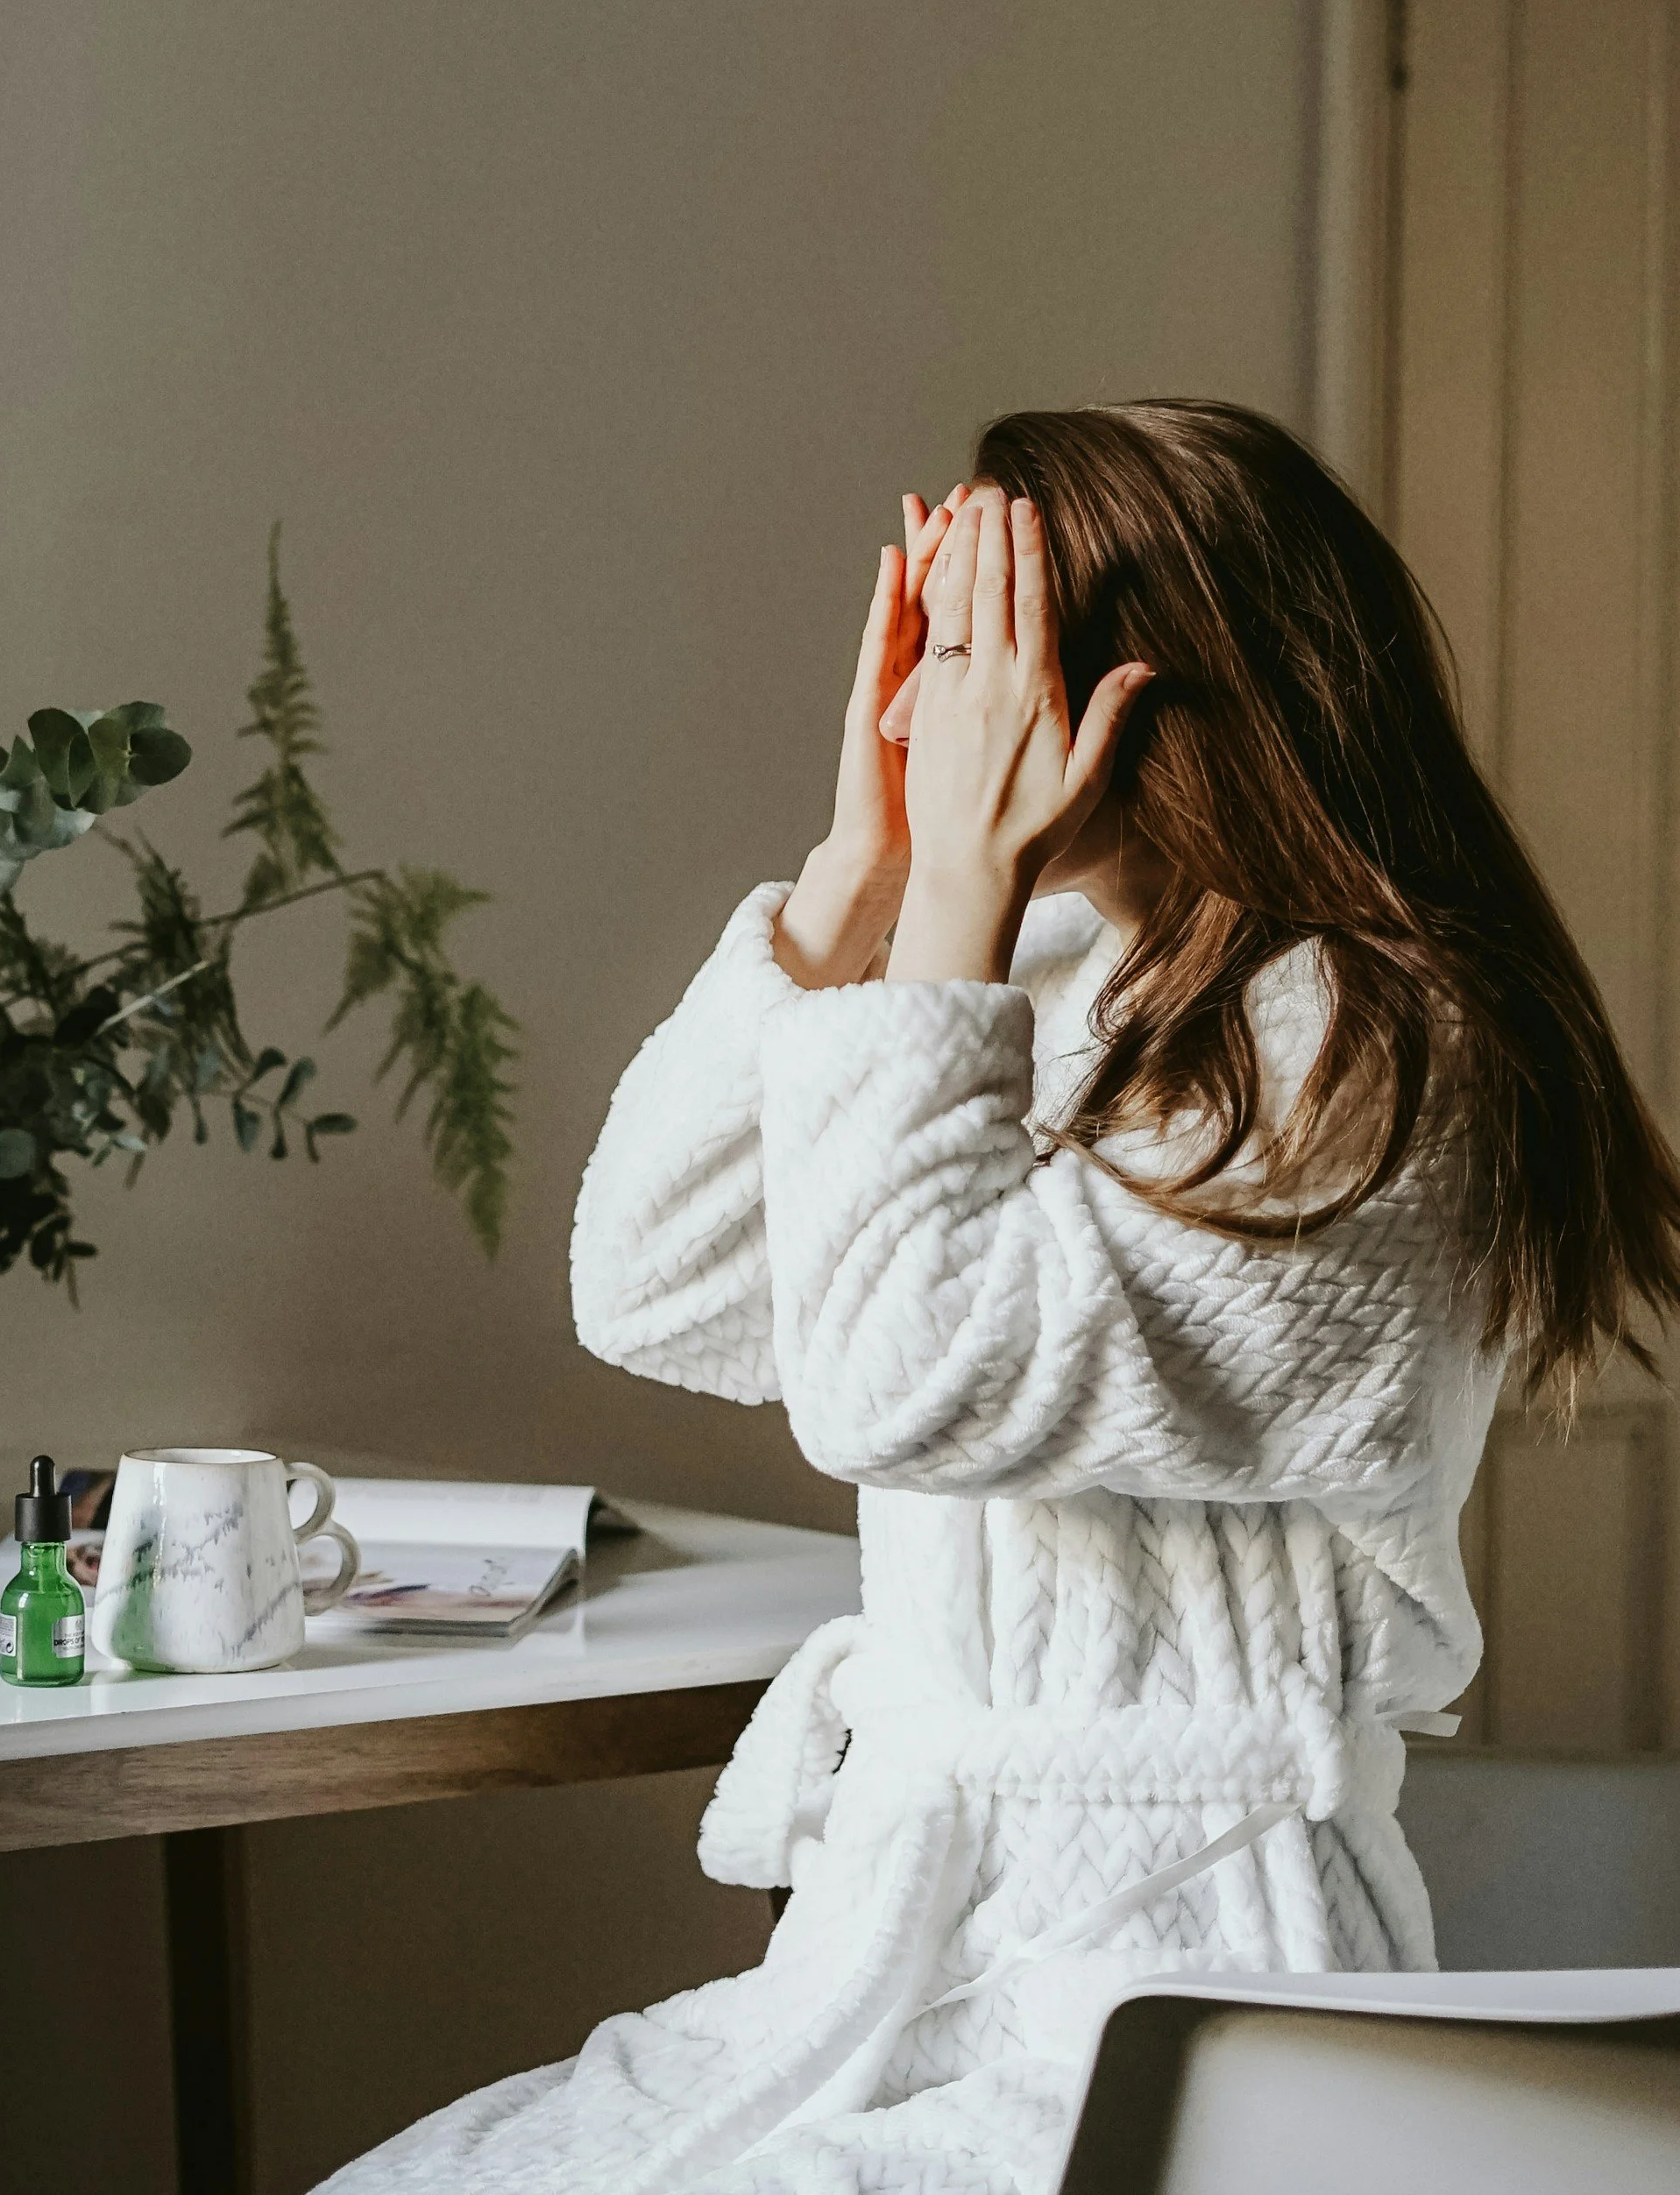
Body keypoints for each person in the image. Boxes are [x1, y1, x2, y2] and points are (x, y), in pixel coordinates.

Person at [323, 400, 1680, 2195]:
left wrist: (951, 904)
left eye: (979, 659)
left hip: (1185, 1977)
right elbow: (656, 1288)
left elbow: (901, 1382)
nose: (931, 710)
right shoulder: (1030, 978)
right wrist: (862, 881)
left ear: (1146, 689)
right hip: (901, 1950)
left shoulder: (1365, 1047)